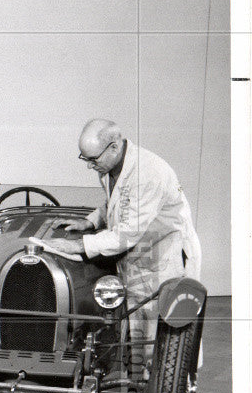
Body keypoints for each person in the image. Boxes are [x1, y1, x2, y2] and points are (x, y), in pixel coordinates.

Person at [48, 118, 201, 374]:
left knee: (164, 342)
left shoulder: (147, 174)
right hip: (141, 258)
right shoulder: (109, 168)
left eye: (93, 159)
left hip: (165, 260)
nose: (89, 166)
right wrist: (91, 221)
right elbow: (117, 203)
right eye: (84, 158)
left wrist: (79, 246)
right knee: (138, 338)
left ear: (114, 147)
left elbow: (126, 234)